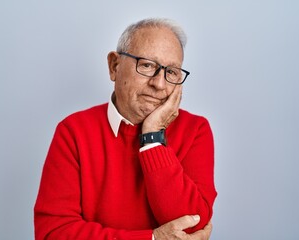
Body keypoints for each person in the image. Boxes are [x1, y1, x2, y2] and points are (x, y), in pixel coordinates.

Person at [34, 18, 217, 240]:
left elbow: (191, 228)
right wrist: (152, 238)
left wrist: (152, 138)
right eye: (147, 65)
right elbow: (53, 233)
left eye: (171, 72)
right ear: (114, 66)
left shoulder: (195, 130)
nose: (159, 84)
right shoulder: (73, 131)